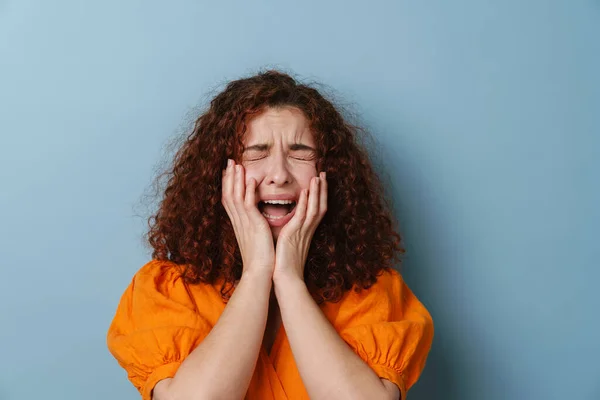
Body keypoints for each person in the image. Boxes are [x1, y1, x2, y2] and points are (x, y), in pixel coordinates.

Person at [106, 70, 434, 400]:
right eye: (257, 151)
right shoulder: (165, 290)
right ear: (220, 172)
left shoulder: (374, 292)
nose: (279, 174)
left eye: (301, 151)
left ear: (328, 172)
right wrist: (257, 272)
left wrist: (289, 278)